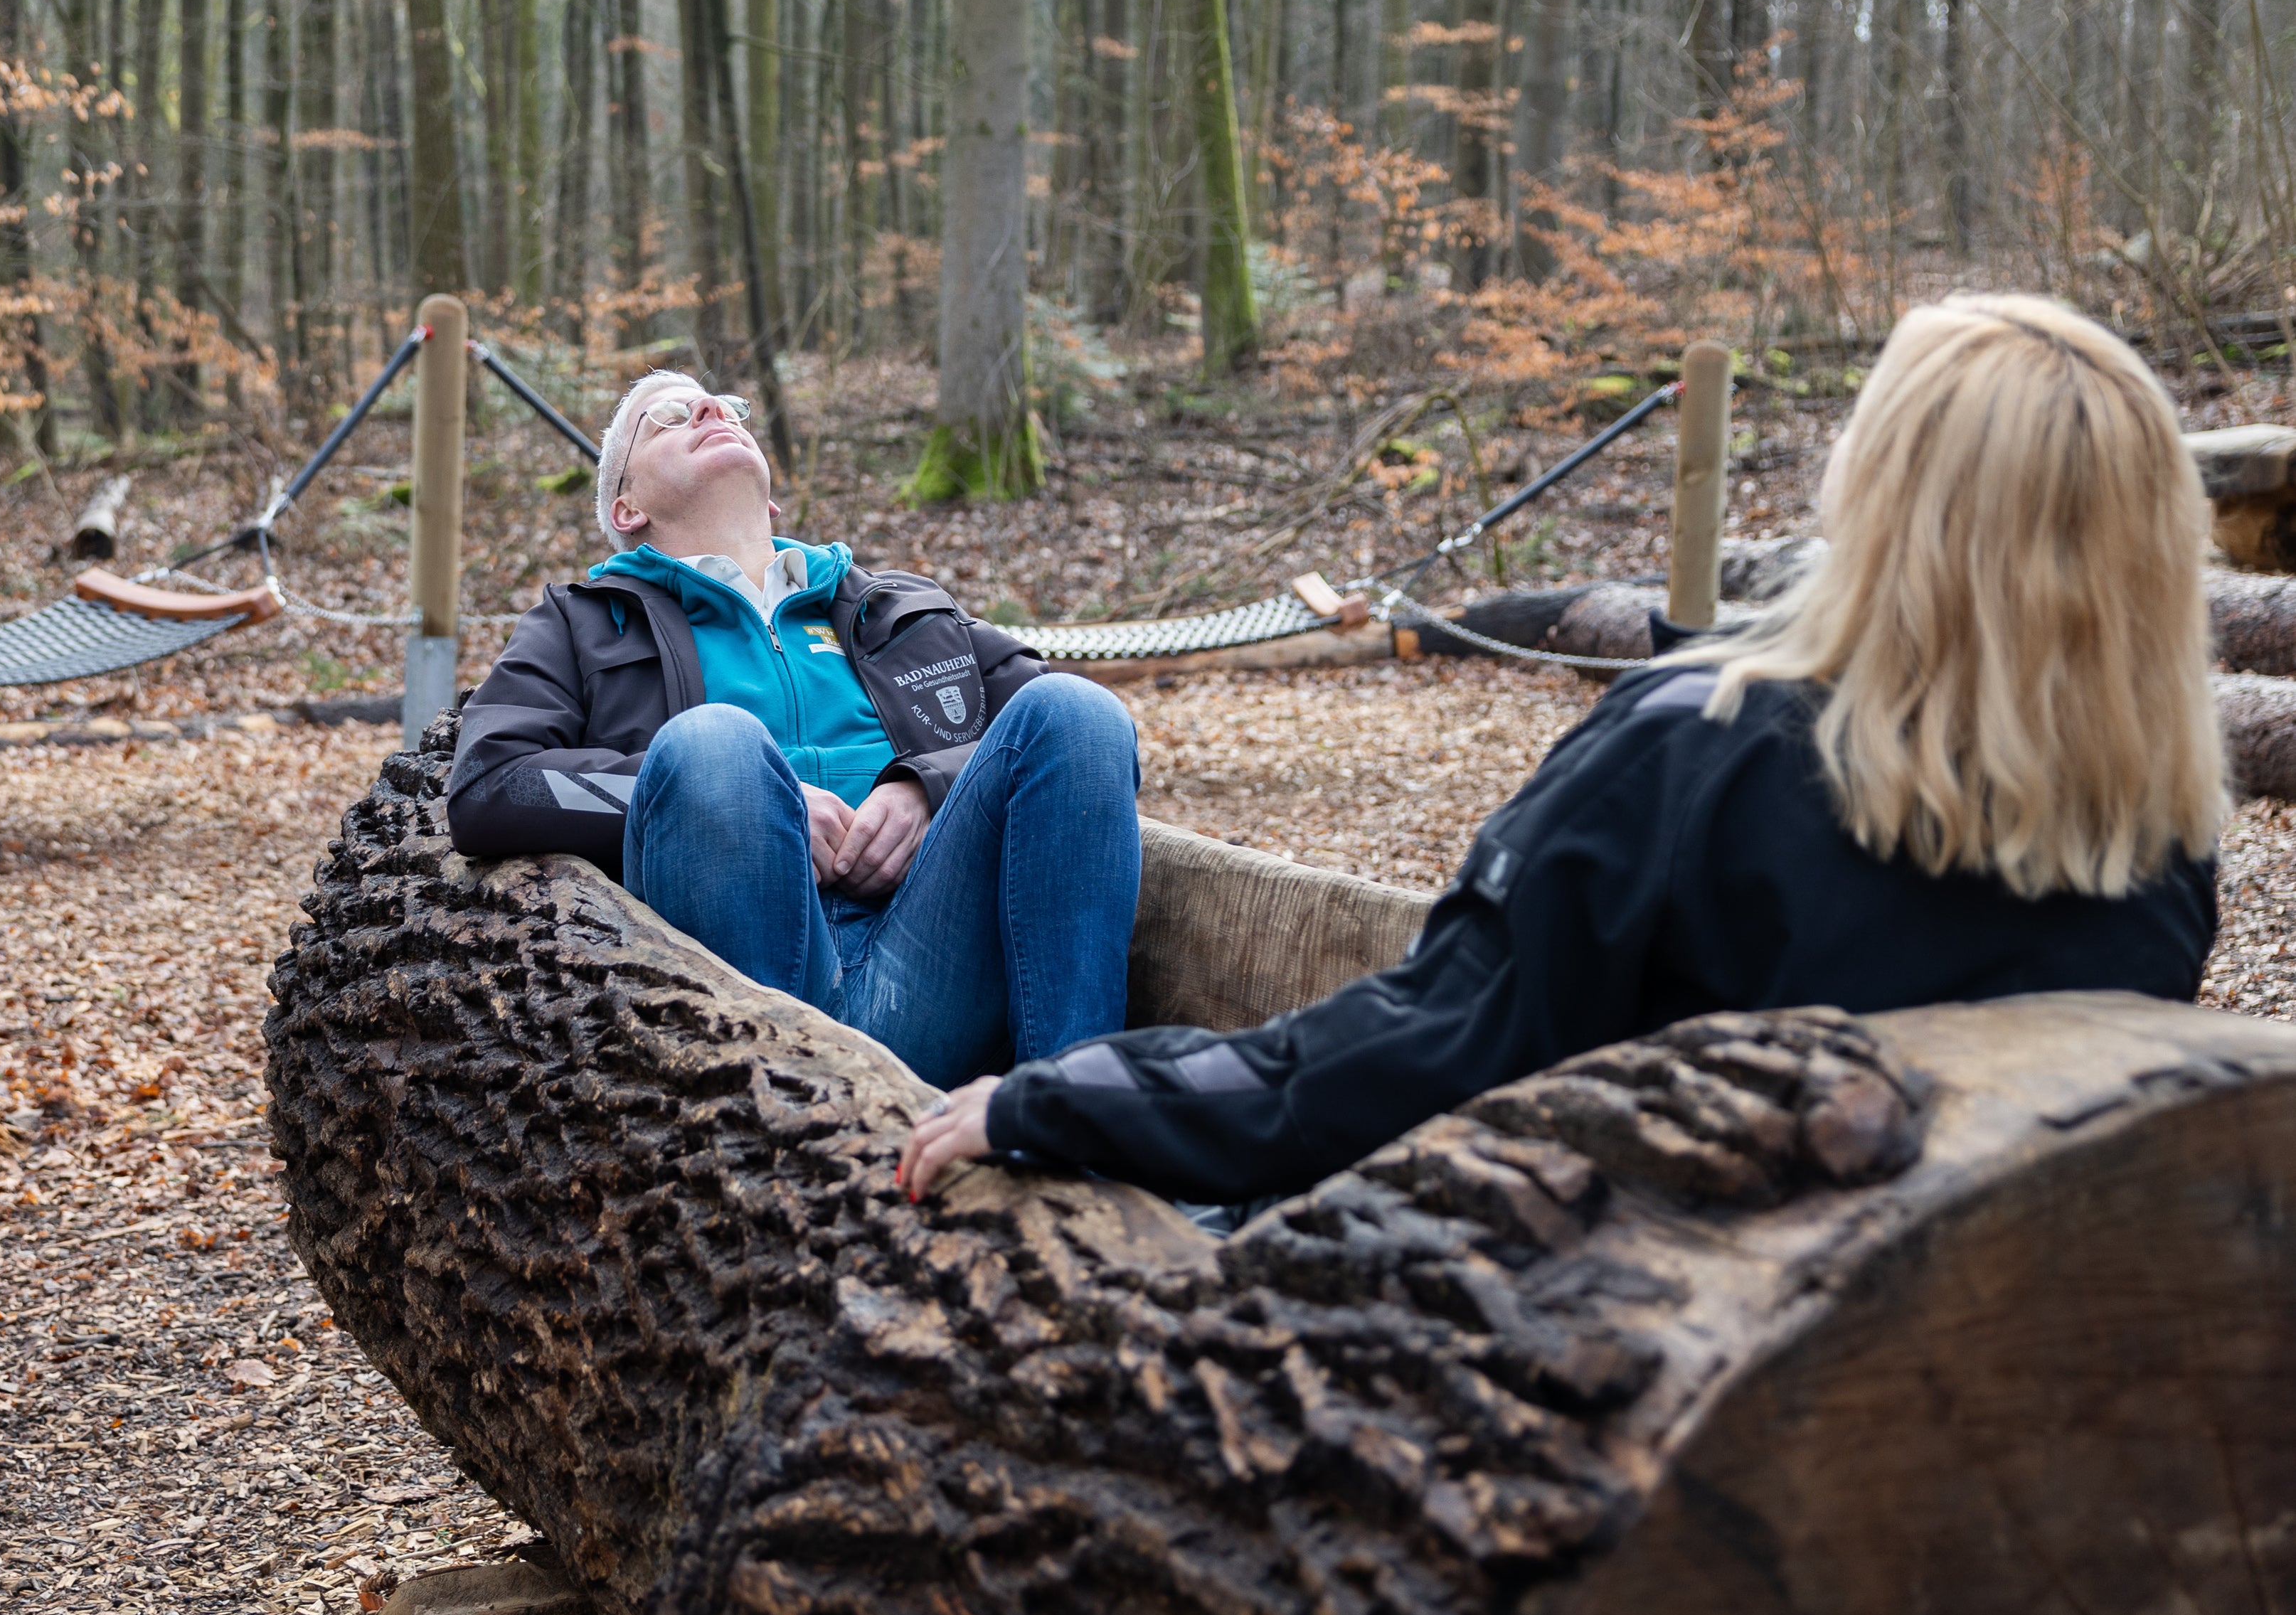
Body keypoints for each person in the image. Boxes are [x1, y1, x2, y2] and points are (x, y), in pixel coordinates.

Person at [901, 294, 2227, 1207]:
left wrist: (1055, 1102)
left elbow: (1410, 1066)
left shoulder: (1703, 757)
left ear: (1887, 504)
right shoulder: (2158, 847)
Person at [447, 370, 1143, 1088]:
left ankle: (1074, 1110)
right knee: (713, 741)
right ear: (626, 508)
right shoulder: (582, 621)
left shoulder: (898, 607)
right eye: (671, 415)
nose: (713, 409)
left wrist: (926, 786)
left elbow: (1063, 743)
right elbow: (488, 786)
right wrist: (734, 796)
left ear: (770, 497)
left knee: (1079, 710)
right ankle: (777, 1126)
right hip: (745, 984)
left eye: (729, 410)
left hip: (939, 958)